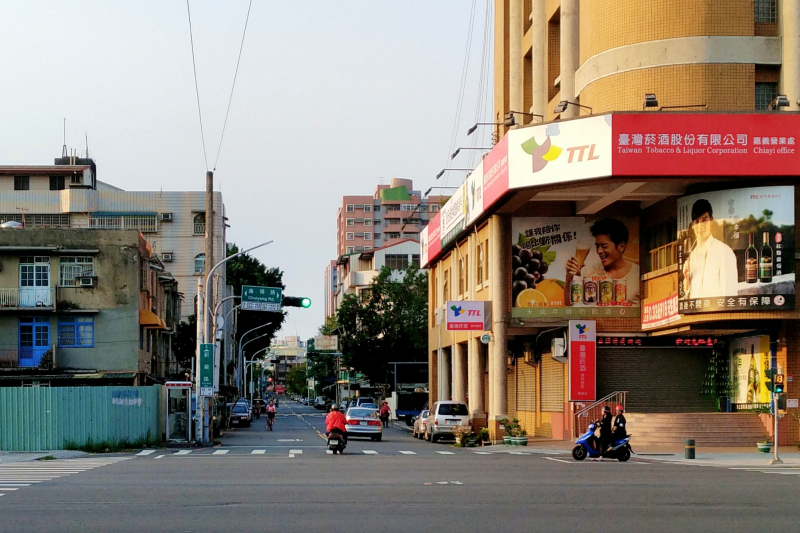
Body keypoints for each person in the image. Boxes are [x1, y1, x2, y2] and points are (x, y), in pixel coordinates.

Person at [565, 218, 640, 306]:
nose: (599, 251)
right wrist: (569, 276)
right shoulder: (590, 270)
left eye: (604, 246)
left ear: (621, 246)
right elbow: (569, 302)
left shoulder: (637, 273)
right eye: (597, 246)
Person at [683, 199, 738, 299]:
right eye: (697, 221)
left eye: (704, 220)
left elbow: (730, 296)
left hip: (717, 313)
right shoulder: (692, 256)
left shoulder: (724, 252)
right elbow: (689, 296)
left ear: (711, 220)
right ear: (692, 225)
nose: (700, 226)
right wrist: (687, 279)